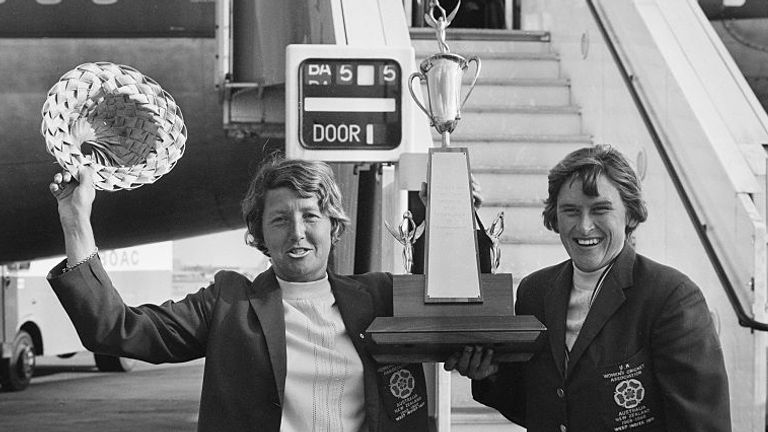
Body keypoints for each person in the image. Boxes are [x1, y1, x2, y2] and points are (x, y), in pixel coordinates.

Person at [47, 158, 429, 432]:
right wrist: (75, 219)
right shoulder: (229, 304)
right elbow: (115, 329)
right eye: (280, 219)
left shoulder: (380, 297)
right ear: (261, 235)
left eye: (311, 216)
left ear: (334, 226)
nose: (297, 232)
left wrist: (449, 210)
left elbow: (456, 320)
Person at [445, 144, 731, 431]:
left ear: (631, 214)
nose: (584, 227)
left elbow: (702, 424)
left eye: (600, 210)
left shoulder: (672, 297)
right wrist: (489, 374)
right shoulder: (534, 291)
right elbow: (537, 407)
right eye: (570, 211)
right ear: (555, 217)